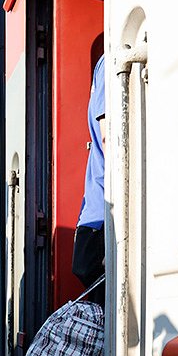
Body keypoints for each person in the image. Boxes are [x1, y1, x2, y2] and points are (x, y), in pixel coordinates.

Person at [72, 54, 108, 293]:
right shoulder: (111, 61)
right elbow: (112, 140)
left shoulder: (102, 66)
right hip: (103, 221)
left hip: (95, 217)